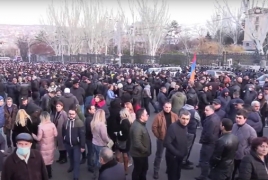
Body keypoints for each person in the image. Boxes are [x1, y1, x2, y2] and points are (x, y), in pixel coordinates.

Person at [152, 102, 178, 179]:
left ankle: (169, 169)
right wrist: (159, 136)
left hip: (171, 140)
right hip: (162, 139)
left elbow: (177, 126)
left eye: (169, 107)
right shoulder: (158, 116)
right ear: (163, 107)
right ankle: (156, 171)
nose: (168, 109)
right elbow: (154, 127)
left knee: (170, 156)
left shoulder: (174, 115)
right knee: (159, 156)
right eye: (166, 107)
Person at [195, 105, 221, 180]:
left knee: (205, 160)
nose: (204, 111)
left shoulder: (211, 120)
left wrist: (202, 140)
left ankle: (203, 176)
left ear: (212, 111)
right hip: (212, 142)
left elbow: (208, 134)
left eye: (207, 110)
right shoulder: (215, 117)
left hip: (208, 143)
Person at [164, 109, 190, 180]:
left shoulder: (185, 127)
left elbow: (183, 140)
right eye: (183, 118)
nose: (185, 121)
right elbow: (167, 143)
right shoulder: (173, 127)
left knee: (178, 175)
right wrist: (177, 153)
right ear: (179, 117)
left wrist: (184, 152)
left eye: (187, 119)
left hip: (180, 156)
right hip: (173, 157)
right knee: (172, 176)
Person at [231, 109, 257, 180]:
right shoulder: (233, 126)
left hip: (243, 157)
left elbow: (253, 145)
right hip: (232, 156)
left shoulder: (251, 130)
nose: (237, 119)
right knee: (230, 173)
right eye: (236, 117)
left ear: (245, 119)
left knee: (243, 175)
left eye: (240, 118)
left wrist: (245, 152)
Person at [32, 111, 58, 179]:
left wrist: (33, 135)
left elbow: (38, 138)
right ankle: (50, 174)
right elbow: (56, 134)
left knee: (43, 162)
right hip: (51, 145)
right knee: (49, 161)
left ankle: (44, 175)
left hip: (43, 146)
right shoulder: (52, 124)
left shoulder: (40, 126)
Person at [62, 108, 85, 180]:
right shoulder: (65, 121)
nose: (71, 115)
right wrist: (64, 140)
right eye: (70, 114)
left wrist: (82, 146)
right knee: (71, 158)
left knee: (76, 160)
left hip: (76, 145)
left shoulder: (79, 122)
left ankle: (76, 176)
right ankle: (71, 167)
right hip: (68, 144)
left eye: (73, 114)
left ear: (76, 114)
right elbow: (63, 132)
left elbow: (82, 135)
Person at [129, 108, 151, 180]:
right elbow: (137, 143)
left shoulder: (140, 124)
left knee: (143, 169)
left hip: (142, 154)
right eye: (146, 114)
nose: (148, 115)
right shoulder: (137, 127)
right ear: (141, 117)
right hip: (139, 154)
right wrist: (145, 150)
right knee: (138, 171)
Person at [91, 109, 111, 180]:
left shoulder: (93, 122)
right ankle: (99, 176)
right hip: (101, 144)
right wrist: (109, 141)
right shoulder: (102, 125)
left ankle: (94, 175)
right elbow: (104, 137)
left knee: (96, 159)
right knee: (101, 161)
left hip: (94, 142)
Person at [116, 108, 133, 175]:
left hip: (123, 141)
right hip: (127, 140)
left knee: (119, 154)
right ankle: (126, 169)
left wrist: (117, 133)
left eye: (120, 114)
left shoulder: (123, 122)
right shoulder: (129, 120)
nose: (119, 115)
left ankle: (119, 168)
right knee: (125, 154)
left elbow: (123, 132)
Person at [85, 105, 96, 172]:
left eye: (94, 108)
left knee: (91, 152)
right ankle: (90, 165)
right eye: (93, 109)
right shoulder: (89, 118)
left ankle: (91, 163)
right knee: (90, 153)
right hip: (90, 138)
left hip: (90, 138)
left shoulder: (91, 117)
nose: (94, 110)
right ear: (89, 110)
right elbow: (90, 129)